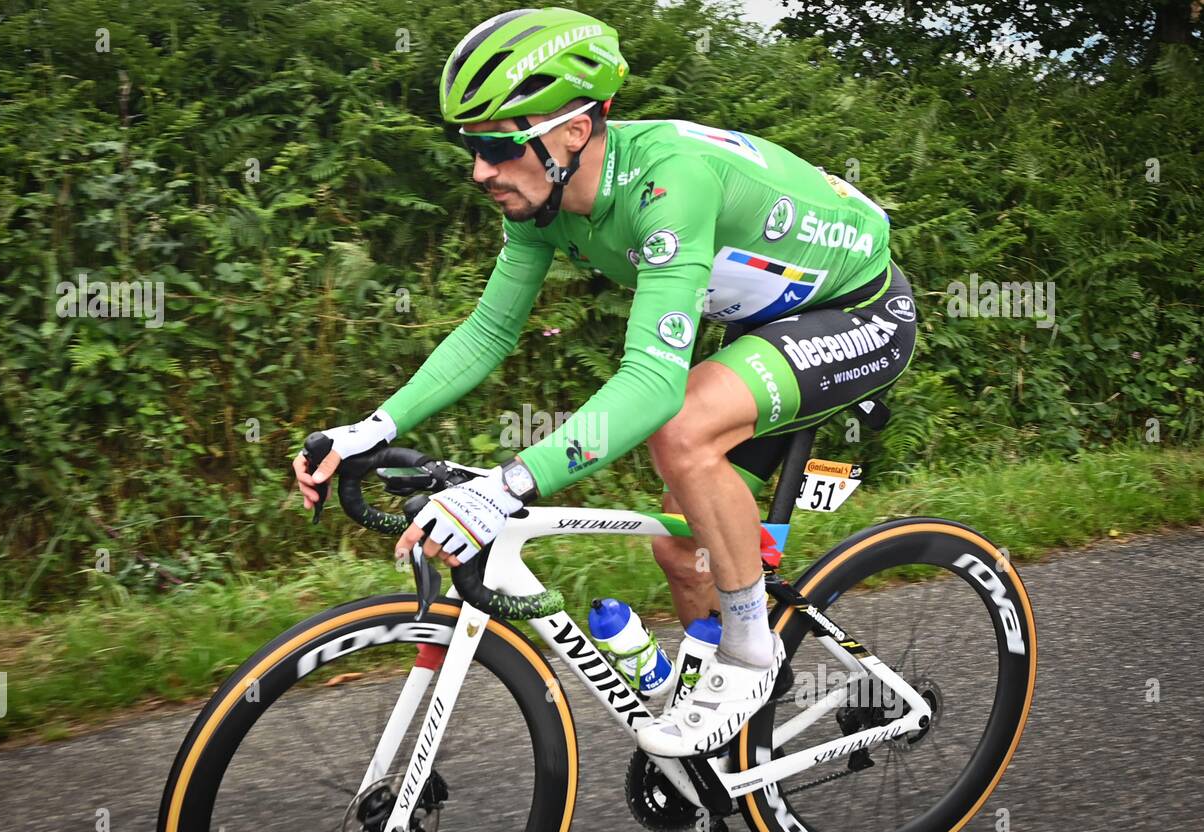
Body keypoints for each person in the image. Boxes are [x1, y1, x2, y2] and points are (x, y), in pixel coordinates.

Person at [292, 7, 918, 758]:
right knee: (681, 549)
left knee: (680, 429)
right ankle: (731, 730)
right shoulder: (542, 203)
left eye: (498, 144)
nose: (479, 170)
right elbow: (490, 331)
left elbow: (652, 383)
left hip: (860, 308)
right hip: (771, 318)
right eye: (471, 145)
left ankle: (753, 655)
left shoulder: (669, 185)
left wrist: (506, 485)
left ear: (574, 132)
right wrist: (375, 428)